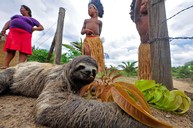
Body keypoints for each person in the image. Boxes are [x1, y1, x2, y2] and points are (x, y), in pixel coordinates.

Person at [1, 5, 44, 69]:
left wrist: (34, 29)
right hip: (14, 33)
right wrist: (4, 29)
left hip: (25, 34)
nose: (20, 9)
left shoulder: (32, 19)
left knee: (24, 50)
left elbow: (41, 27)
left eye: (22, 8)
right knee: (11, 49)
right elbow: (9, 22)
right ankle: (5, 65)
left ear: (27, 10)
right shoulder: (16, 16)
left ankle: (19, 67)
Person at [81, 0, 105, 72]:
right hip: (87, 40)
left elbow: (99, 33)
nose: (88, 10)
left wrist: (96, 40)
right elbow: (81, 31)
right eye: (88, 8)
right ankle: (86, 68)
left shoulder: (99, 22)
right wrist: (86, 31)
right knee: (87, 53)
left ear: (96, 10)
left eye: (90, 8)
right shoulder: (86, 21)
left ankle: (94, 69)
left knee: (95, 57)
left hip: (96, 41)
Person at [130, 0, 151, 80]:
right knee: (145, 72)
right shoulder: (138, 19)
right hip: (145, 47)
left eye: (147, 3)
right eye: (142, 4)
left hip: (156, 47)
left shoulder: (154, 18)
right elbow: (136, 9)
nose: (145, 5)